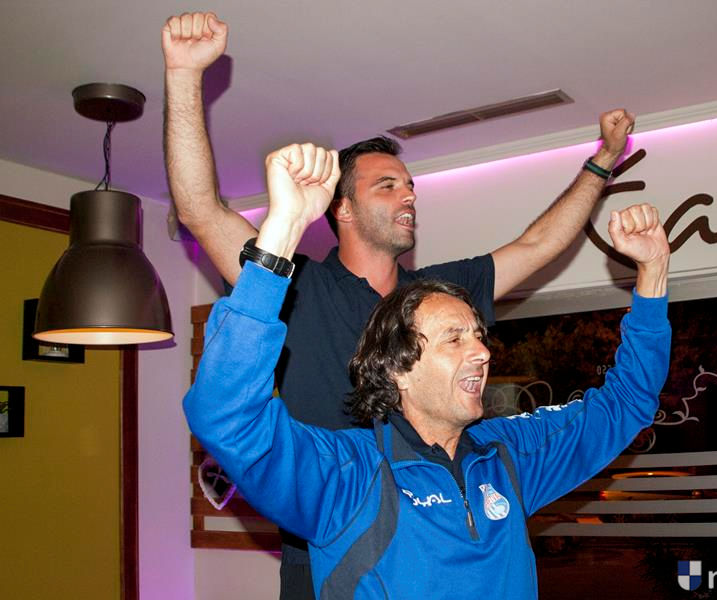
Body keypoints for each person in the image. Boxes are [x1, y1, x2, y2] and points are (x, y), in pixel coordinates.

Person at [163, 11, 636, 598]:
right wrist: (184, 75)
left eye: (410, 183)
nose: (408, 193)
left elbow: (539, 245)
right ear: (342, 209)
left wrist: (602, 160)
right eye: (386, 185)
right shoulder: (298, 285)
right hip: (331, 535)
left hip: (435, 544)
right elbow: (200, 210)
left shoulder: (441, 298)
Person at [183, 144, 671, 598]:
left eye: (478, 335)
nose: (481, 352)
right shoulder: (350, 478)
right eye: (454, 339)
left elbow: (627, 402)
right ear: (398, 369)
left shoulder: (509, 458)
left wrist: (653, 275)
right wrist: (285, 227)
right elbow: (226, 418)